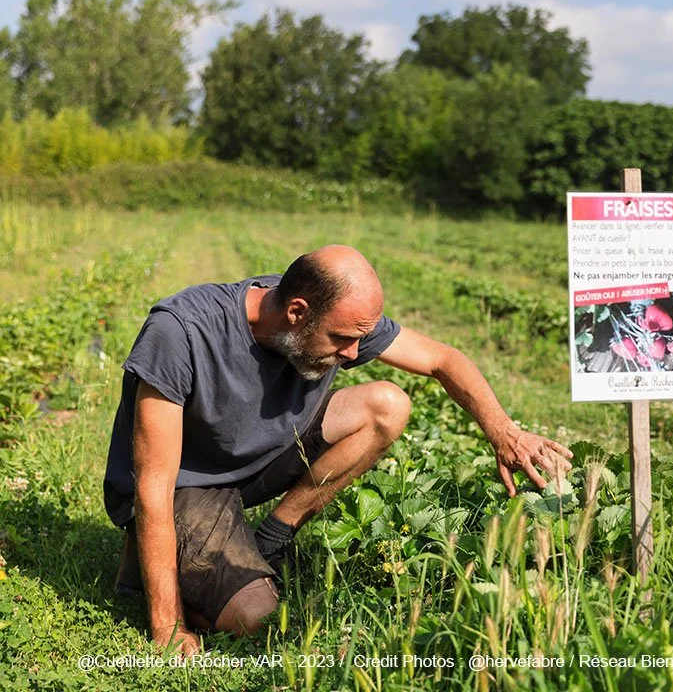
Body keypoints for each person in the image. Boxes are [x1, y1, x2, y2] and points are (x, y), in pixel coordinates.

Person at [103, 245, 573, 656]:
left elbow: (441, 359)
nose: (353, 353)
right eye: (343, 340)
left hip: (254, 463)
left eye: (359, 339)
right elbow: (152, 486)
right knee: (261, 618)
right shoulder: (182, 332)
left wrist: (505, 432)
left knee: (387, 405)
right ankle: (160, 571)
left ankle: (272, 541)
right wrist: (168, 626)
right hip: (187, 485)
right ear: (297, 312)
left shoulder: (333, 319)